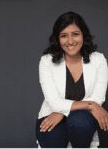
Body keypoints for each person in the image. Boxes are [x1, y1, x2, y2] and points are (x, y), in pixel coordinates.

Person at [35, 11, 108, 148]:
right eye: (64, 36)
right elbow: (54, 102)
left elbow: (98, 98)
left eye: (75, 34)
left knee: (80, 121)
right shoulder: (46, 61)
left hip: (83, 118)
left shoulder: (98, 59)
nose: (70, 41)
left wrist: (62, 111)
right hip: (52, 116)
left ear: (83, 35)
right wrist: (90, 105)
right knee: (52, 141)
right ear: (57, 39)